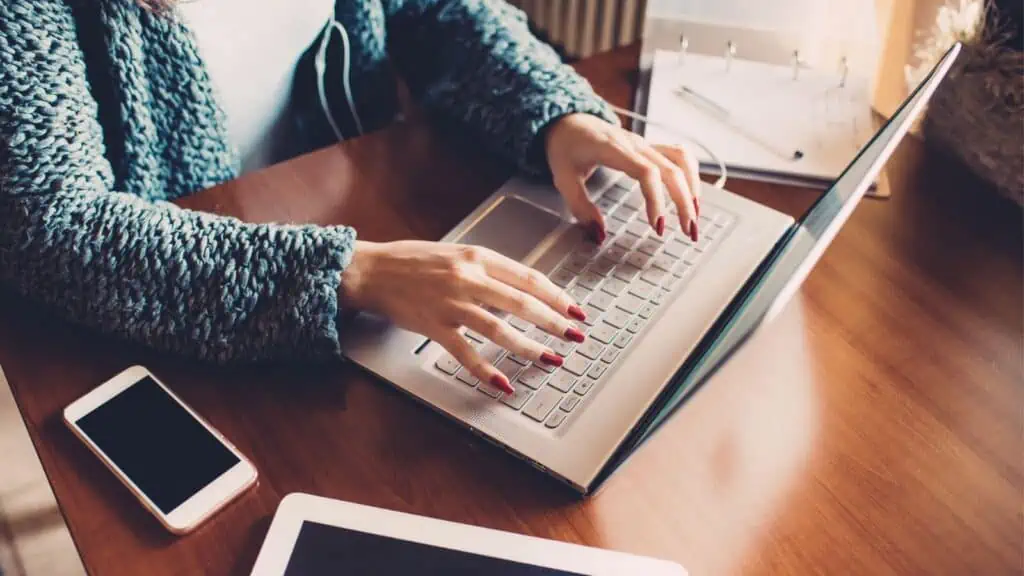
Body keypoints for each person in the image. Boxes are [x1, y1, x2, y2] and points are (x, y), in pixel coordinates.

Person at [0, 0, 700, 393]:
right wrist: (350, 272)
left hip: (369, 242)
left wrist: (556, 114)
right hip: (179, 317)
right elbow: (53, 225)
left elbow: (441, 13)